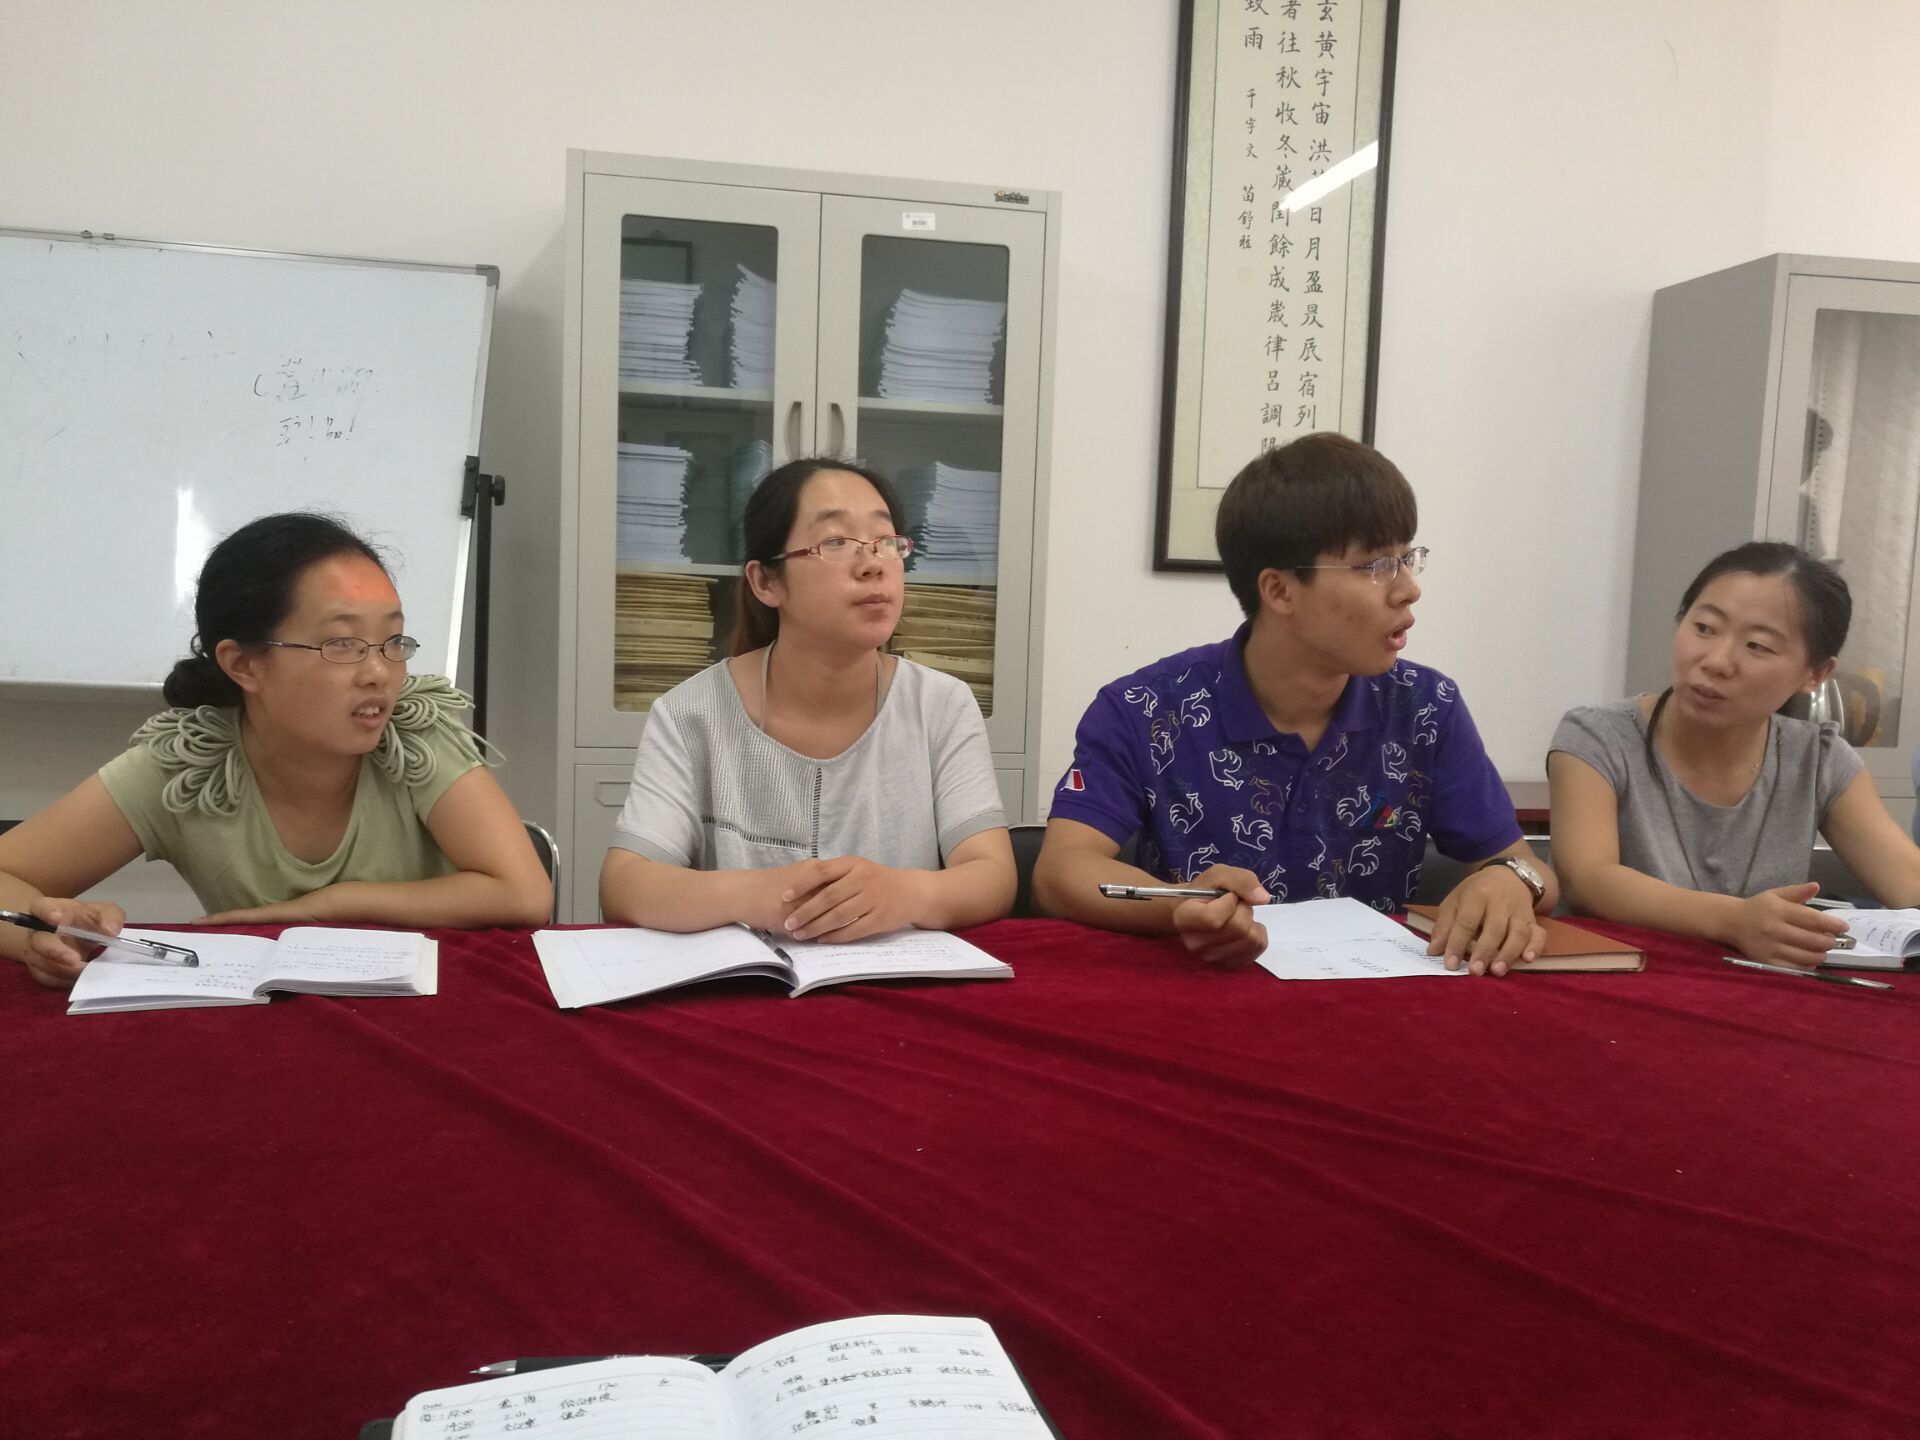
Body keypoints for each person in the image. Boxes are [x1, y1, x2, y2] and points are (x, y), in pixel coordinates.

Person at [1033, 433, 1556, 975]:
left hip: (1377, 1000)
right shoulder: (1145, 709)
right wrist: (1184, 905)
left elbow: (1527, 866)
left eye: (1407, 558)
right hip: (1209, 991)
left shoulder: (1426, 708)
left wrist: (1511, 879)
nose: (1408, 589)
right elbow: (1061, 871)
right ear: (1280, 591)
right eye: (1375, 565)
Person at [0, 513, 553, 988]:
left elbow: (524, 894)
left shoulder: (414, 739)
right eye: (342, 643)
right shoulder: (189, 768)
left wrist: (331, 905)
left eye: (392, 641)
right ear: (243, 665)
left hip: (433, 1010)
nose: (379, 673)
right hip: (262, 1030)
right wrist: (44, 933)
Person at [599, 458, 1015, 940]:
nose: (873, 564)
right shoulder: (691, 713)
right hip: (753, 981)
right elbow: (625, 884)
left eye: (886, 541)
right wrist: (756, 894)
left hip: (892, 978)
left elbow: (992, 875)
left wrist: (904, 893)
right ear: (766, 582)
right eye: (836, 542)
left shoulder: (941, 706)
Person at [1548, 541, 1920, 967]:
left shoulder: (1818, 760)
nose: (1716, 660)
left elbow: (1908, 880)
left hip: (1762, 990)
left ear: (1815, 674)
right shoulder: (1598, 737)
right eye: (1704, 628)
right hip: (1625, 979)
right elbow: (1588, 880)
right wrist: (1734, 921)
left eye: (1757, 646)